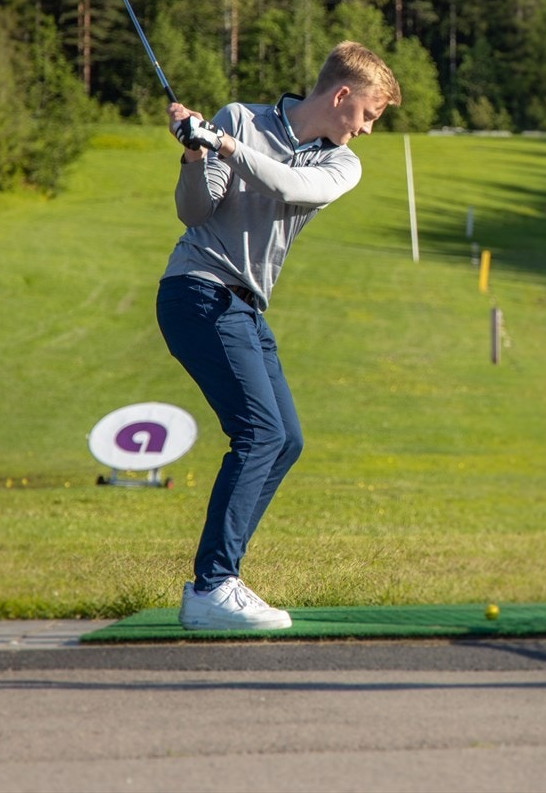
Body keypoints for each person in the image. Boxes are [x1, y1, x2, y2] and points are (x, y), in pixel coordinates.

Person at [156, 41, 401, 630]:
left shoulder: (339, 162)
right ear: (341, 96)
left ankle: (218, 582)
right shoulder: (239, 117)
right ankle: (213, 584)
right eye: (368, 114)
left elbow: (291, 187)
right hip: (198, 289)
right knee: (259, 433)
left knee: (285, 439)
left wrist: (219, 143)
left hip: (246, 309)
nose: (367, 130)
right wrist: (194, 156)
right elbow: (194, 213)